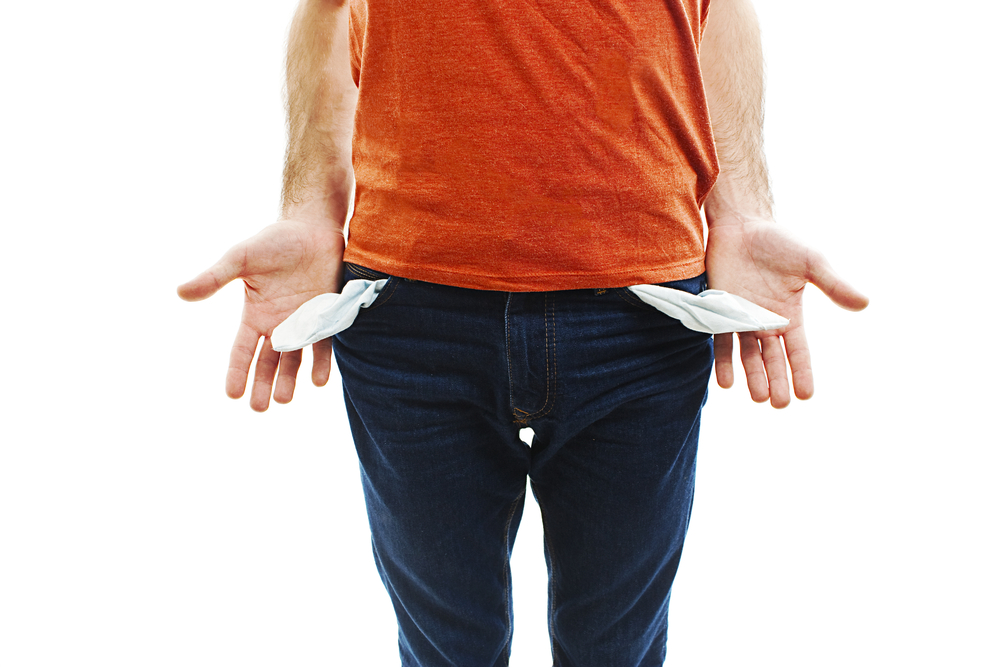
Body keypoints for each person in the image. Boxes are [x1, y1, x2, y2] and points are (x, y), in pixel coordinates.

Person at [178, 0, 868, 664]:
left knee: (616, 652)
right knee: (446, 652)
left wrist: (742, 211)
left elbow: (716, 10)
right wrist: (308, 209)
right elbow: (326, 9)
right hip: (412, 311)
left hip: (643, 316)